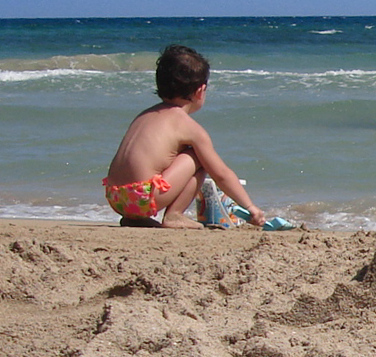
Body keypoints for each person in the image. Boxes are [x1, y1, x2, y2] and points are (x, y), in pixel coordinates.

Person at [102, 45, 266, 229]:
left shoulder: (145, 115)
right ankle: (174, 215)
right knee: (198, 156)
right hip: (142, 198)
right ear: (200, 91)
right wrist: (250, 206)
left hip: (115, 197)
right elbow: (221, 174)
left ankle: (135, 219)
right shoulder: (188, 126)